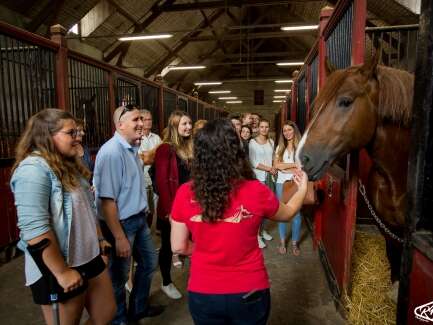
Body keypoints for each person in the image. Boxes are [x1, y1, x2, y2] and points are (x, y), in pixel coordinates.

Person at [170, 119, 307, 325]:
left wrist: (204, 250)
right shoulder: (256, 190)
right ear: (235, 151)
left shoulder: (184, 193)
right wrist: (302, 189)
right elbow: (287, 213)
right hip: (249, 289)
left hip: (204, 290)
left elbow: (178, 246)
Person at [10, 108, 116, 325]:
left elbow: (86, 207)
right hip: (61, 264)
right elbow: (34, 229)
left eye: (78, 131)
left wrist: (99, 239)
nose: (78, 137)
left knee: (106, 312)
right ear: (47, 136)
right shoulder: (32, 169)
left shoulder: (67, 164)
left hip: (88, 256)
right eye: (71, 133)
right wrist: (61, 272)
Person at [93, 105, 162, 324]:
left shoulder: (131, 148)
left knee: (149, 262)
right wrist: (119, 237)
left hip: (138, 219)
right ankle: (119, 319)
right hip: (121, 224)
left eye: (142, 119)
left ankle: (138, 309)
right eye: (135, 120)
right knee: (119, 277)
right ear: (120, 125)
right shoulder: (112, 152)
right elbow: (107, 201)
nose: (141, 124)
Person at [153, 110, 193, 300]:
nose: (189, 127)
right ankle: (166, 282)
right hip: (173, 207)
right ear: (175, 126)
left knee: (192, 243)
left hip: (191, 205)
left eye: (189, 123)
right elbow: (161, 181)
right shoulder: (165, 149)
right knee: (169, 248)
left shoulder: (189, 146)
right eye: (184, 124)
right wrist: (169, 211)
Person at [274, 121, 303, 255]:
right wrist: (292, 166)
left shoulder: (301, 147)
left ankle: (295, 243)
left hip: (296, 183)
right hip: (281, 183)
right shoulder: (280, 147)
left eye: (289, 130)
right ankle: (282, 240)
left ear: (294, 131)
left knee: (296, 214)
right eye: (284, 130)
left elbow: (301, 167)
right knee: (282, 213)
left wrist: (284, 166)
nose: (287, 133)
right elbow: (276, 165)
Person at [249, 119, 277, 248]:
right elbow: (253, 162)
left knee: (267, 207)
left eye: (266, 127)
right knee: (259, 208)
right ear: (258, 128)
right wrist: (269, 168)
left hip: (270, 178)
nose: (264, 129)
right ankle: (256, 236)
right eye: (262, 127)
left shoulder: (271, 142)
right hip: (259, 178)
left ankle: (263, 230)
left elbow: (273, 159)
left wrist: (274, 168)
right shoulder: (252, 142)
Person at [138, 109, 162, 227]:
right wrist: (152, 155)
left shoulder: (156, 138)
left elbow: (160, 157)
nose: (148, 122)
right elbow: (141, 158)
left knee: (153, 210)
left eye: (150, 119)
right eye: (145, 119)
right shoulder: (137, 137)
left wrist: (148, 155)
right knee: (144, 210)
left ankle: (150, 233)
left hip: (155, 180)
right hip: (142, 180)